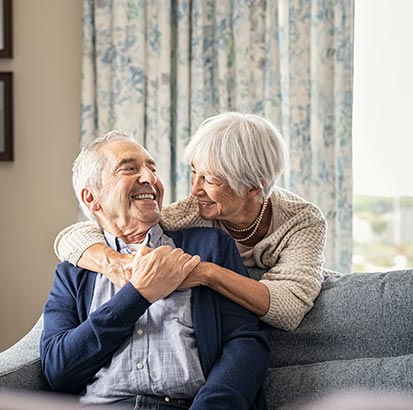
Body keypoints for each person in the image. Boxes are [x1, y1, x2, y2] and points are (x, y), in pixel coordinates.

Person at [40, 132, 270, 409]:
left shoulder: (208, 247)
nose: (149, 178)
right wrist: (138, 295)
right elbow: (58, 371)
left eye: (152, 168)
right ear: (92, 199)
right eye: (129, 168)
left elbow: (246, 343)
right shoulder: (74, 272)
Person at [54, 112, 327, 331]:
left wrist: (205, 273)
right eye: (195, 173)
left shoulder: (302, 221)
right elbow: (75, 236)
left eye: (209, 179)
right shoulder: (193, 210)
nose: (195, 189)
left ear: (253, 187)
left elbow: (289, 309)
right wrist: (115, 262)